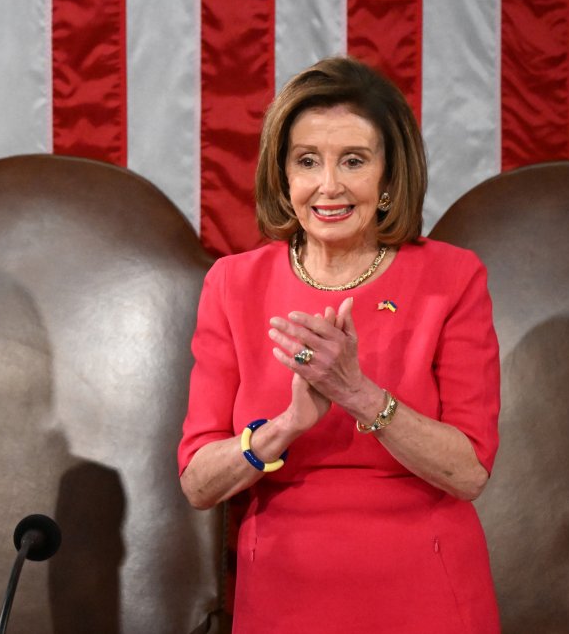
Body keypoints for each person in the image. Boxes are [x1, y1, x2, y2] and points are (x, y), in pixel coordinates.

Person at [178, 57, 501, 632]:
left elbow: (469, 472)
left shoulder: (453, 278)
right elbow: (199, 483)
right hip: (284, 587)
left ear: (388, 178)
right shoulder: (233, 284)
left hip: (426, 585)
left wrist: (360, 396)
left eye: (353, 161)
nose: (328, 186)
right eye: (308, 162)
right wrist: (285, 427)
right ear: (283, 178)